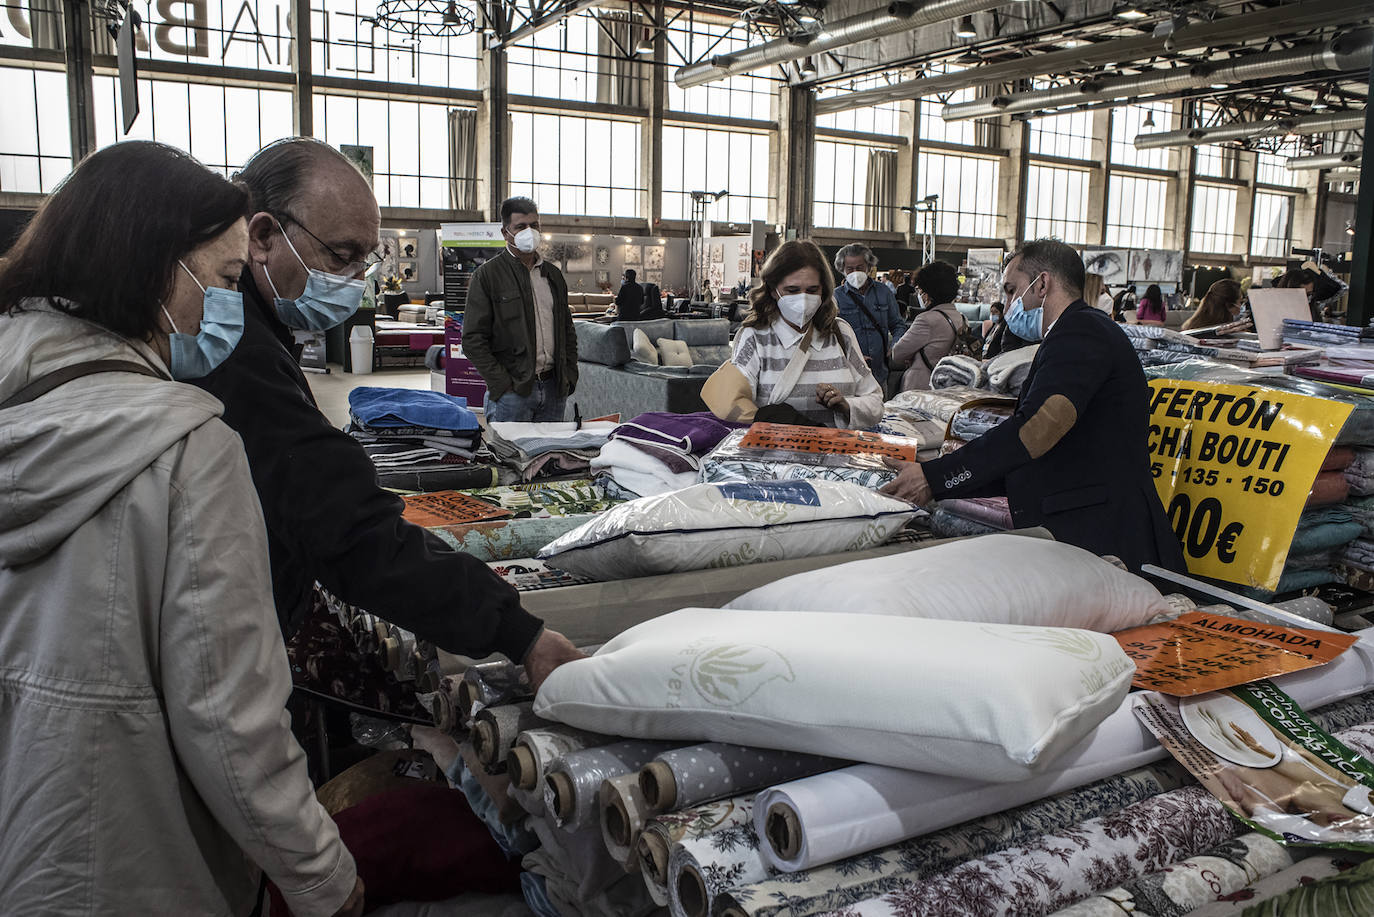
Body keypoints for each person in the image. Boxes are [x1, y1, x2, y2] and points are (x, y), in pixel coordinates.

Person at [0, 141, 363, 917]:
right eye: (227, 279)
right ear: (156, 266)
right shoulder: (187, 450)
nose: (222, 308)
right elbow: (233, 722)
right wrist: (325, 879)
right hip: (139, 862)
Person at [193, 141, 582, 688]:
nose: (354, 279)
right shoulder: (232, 348)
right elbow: (345, 528)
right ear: (261, 237)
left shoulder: (251, 330)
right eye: (340, 255)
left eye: (365, 259)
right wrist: (518, 633)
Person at [881, 238, 1185, 573]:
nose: (1007, 302)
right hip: (1089, 527)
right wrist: (939, 476)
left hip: (1104, 536)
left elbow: (1035, 431)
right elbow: (1043, 449)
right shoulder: (1071, 334)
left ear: (1042, 284)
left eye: (1012, 290)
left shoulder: (1081, 334)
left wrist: (936, 477)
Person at [702, 239, 883, 429]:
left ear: (824, 290)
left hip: (835, 454)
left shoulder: (840, 333)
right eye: (792, 290)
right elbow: (732, 404)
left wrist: (846, 406)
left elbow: (875, 402)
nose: (803, 298)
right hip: (773, 454)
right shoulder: (754, 337)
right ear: (773, 290)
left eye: (812, 290)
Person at [464, 196, 579, 423]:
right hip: (513, 393)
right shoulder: (487, 276)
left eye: (534, 225)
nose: (530, 232)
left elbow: (567, 330)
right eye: (521, 227)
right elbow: (472, 339)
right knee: (509, 457)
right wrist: (502, 384)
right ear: (505, 232)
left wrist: (569, 374)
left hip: (554, 389)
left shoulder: (553, 275)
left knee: (550, 456)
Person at [833, 243, 909, 393]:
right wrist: (851, 355)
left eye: (859, 268)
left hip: (879, 374)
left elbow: (898, 324)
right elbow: (830, 334)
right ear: (842, 270)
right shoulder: (836, 296)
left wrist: (895, 345)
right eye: (850, 269)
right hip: (850, 375)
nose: (855, 272)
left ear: (868, 266)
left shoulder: (884, 292)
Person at [890, 260, 969, 392]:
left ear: (927, 293)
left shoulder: (926, 320)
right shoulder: (962, 318)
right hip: (950, 386)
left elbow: (897, 354)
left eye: (920, 290)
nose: (919, 294)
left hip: (921, 385)